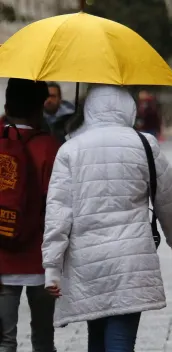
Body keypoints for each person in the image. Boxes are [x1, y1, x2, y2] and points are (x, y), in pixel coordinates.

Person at [41, 85, 172, 352]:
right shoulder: (144, 144)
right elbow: (169, 198)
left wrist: (52, 267)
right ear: (128, 108)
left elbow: (58, 211)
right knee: (121, 338)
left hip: (87, 259)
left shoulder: (69, 149)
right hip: (131, 258)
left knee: (96, 336)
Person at [0, 78, 61, 352]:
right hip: (41, 259)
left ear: (6, 103)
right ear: (40, 108)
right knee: (44, 339)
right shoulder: (52, 147)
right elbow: (59, 207)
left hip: (2, 258)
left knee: (4, 339)